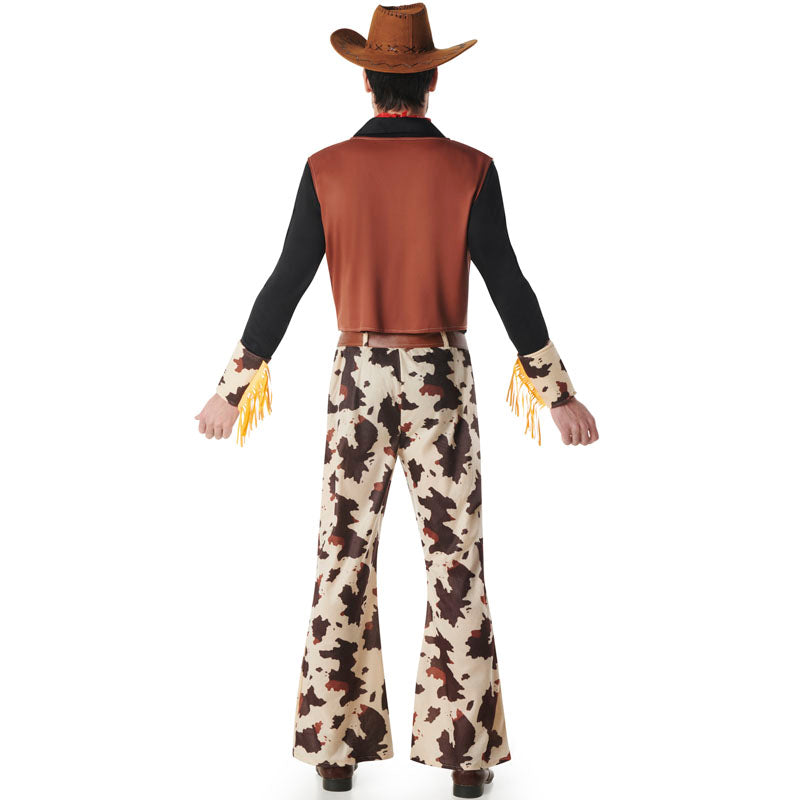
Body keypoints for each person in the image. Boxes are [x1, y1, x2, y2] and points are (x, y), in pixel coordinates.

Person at [195, 4, 598, 797]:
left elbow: (286, 282)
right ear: (433, 80)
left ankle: (335, 751)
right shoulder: (471, 168)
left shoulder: (326, 168)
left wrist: (231, 390)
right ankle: (466, 758)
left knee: (341, 554)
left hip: (357, 379)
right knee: (456, 560)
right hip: (440, 378)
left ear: (366, 81)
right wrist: (557, 395)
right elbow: (508, 282)